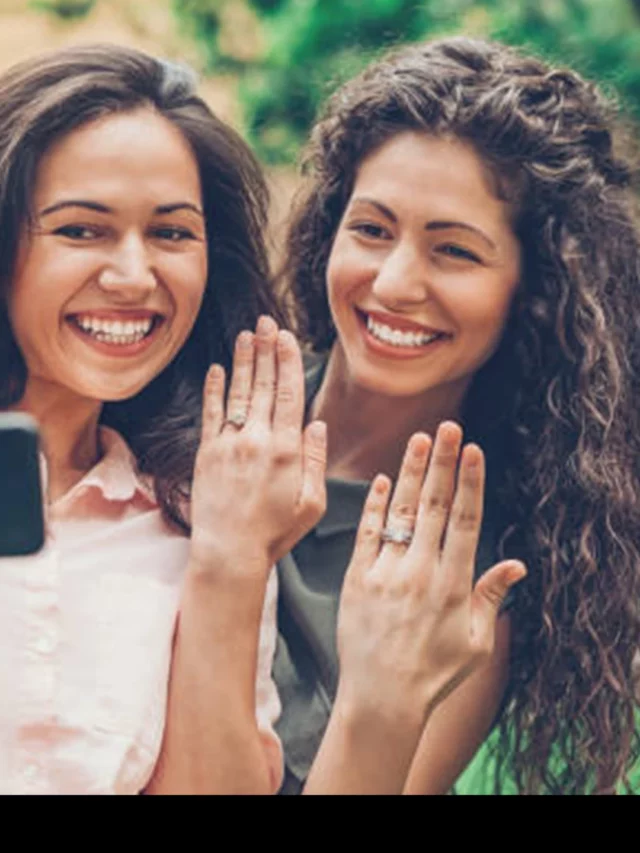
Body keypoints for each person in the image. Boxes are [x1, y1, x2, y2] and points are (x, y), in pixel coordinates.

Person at [0, 42, 522, 795]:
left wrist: (231, 562)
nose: (132, 275)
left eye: (173, 233)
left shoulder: (193, 516)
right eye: (81, 229)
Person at [274, 35, 640, 795]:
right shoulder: (213, 416)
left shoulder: (496, 568)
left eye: (455, 251)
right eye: (371, 229)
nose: (396, 281)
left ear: (534, 292)